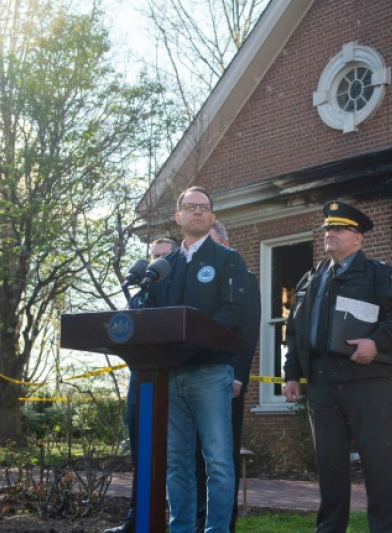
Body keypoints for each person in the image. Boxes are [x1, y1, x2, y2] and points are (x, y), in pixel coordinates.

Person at [283, 201, 392, 533]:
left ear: (358, 238)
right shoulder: (310, 279)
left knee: (379, 466)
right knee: (329, 468)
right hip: (322, 385)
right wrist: (291, 374)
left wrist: (377, 342)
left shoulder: (379, 274)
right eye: (327, 228)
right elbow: (295, 329)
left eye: (338, 229)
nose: (330, 234)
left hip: (368, 382)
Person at [144, 186, 251, 533]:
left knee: (218, 461)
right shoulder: (164, 266)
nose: (197, 212)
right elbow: (152, 315)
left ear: (213, 217)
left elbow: (235, 312)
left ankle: (217, 530)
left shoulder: (227, 260)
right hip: (171, 375)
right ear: (178, 217)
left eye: (204, 208)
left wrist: (192, 339)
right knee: (176, 462)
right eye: (190, 207)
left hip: (210, 372)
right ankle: (182, 528)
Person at [106, 237, 178, 533]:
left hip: (174, 385)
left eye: (165, 257)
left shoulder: (179, 296)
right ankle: (136, 519)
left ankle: (177, 521)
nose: (157, 261)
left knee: (175, 459)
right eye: (154, 256)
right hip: (140, 385)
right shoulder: (137, 298)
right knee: (141, 455)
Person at [195, 221, 261, 532]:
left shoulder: (245, 279)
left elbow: (247, 333)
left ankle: (225, 522)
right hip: (193, 379)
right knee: (193, 455)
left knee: (222, 457)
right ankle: (198, 519)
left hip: (226, 381)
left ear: (226, 243)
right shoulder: (193, 278)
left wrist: (238, 376)